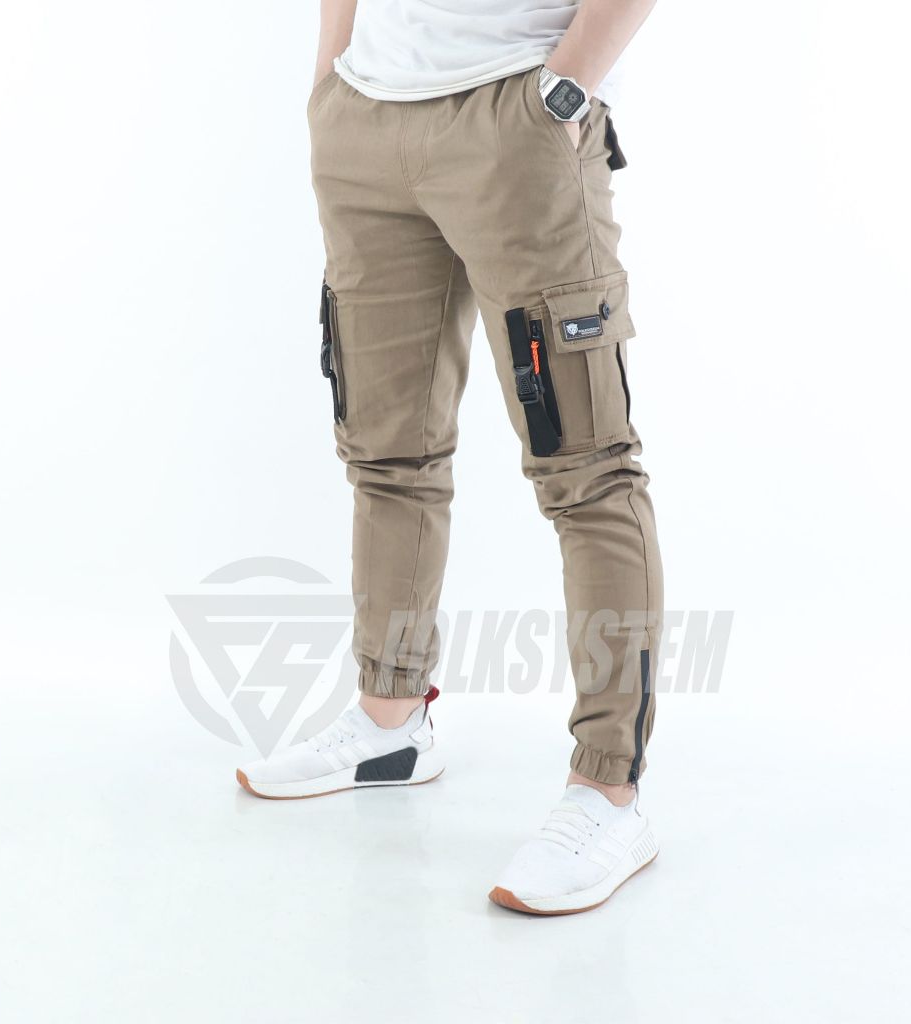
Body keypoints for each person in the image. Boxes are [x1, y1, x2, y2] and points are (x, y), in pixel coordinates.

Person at [238, 0, 664, 916]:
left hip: (515, 118)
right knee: (387, 454)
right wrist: (330, 84)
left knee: (585, 473)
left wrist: (563, 90)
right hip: (366, 119)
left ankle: (608, 794)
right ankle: (389, 722)